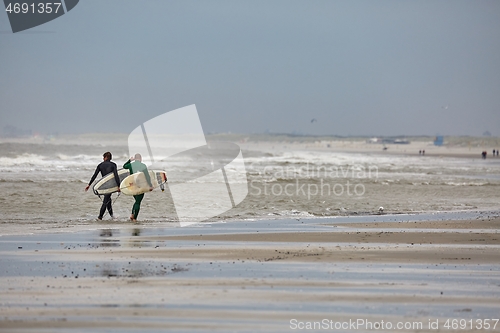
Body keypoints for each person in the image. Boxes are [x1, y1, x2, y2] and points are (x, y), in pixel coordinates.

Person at [85, 152, 121, 220]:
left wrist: (89, 184)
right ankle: (100, 217)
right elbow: (116, 176)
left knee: (108, 200)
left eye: (103, 157)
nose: (103, 158)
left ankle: (112, 216)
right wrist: (119, 186)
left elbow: (94, 175)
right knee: (106, 201)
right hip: (110, 185)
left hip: (104, 185)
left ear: (105, 157)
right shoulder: (113, 165)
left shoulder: (100, 165)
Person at [123, 153, 153, 222]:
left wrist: (129, 160)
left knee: (136, 201)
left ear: (135, 158)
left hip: (132, 185)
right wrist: (150, 185)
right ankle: (134, 218)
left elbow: (124, 166)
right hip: (140, 185)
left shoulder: (131, 164)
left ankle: (132, 215)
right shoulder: (143, 165)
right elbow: (147, 176)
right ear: (140, 159)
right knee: (138, 202)